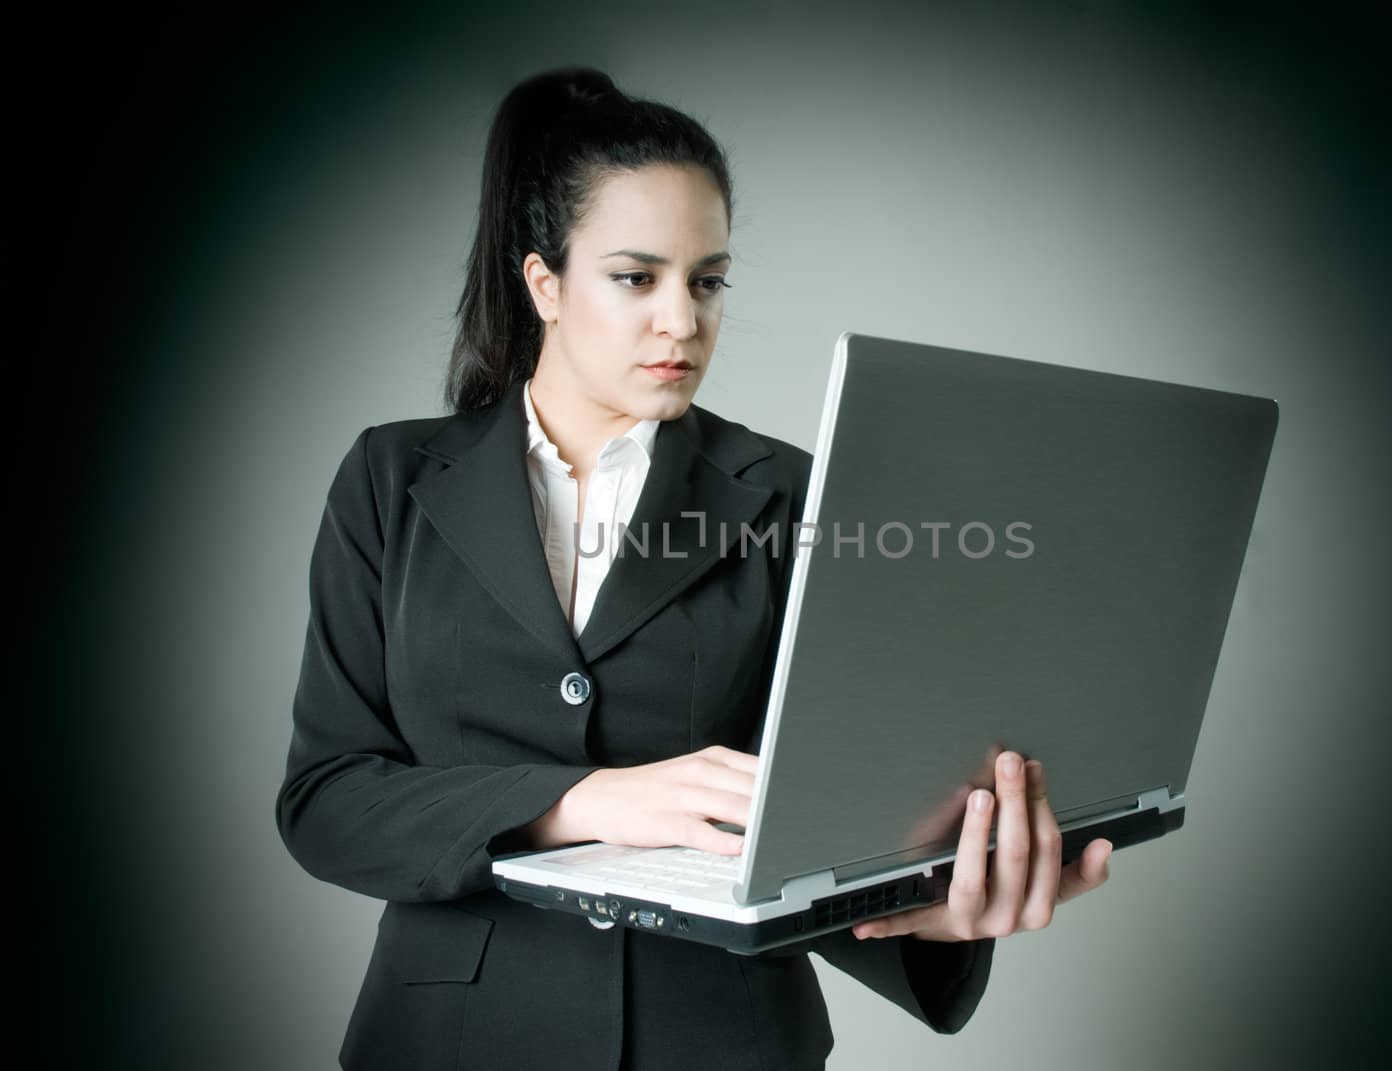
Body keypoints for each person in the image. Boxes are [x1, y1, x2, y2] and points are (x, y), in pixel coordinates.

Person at [275, 67, 1113, 1071]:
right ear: (544, 281)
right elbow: (328, 799)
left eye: (707, 280)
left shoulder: (791, 494)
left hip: (722, 1038)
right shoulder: (391, 478)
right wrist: (581, 800)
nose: (683, 320)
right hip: (450, 1036)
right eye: (636, 278)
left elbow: (820, 817)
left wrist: (932, 910)